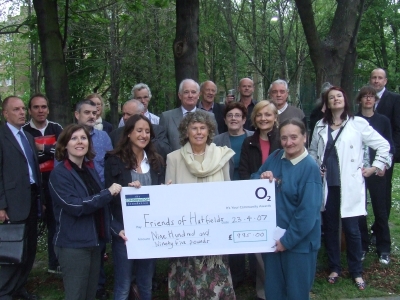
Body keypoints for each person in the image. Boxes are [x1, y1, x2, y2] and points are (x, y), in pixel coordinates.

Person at [309, 86, 390, 290]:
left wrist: (374, 167)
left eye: (339, 96)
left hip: (350, 185)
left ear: (345, 100)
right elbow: (312, 151)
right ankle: (335, 267)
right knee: (330, 227)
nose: (336, 99)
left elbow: (383, 145)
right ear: (326, 104)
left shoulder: (358, 124)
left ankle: (356, 271)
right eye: (331, 97)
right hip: (328, 185)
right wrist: (315, 166)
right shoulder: (320, 125)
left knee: (352, 230)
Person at [165, 110, 235, 299]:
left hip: (215, 229)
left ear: (209, 131)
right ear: (185, 131)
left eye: (202, 128)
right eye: (193, 128)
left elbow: (228, 192)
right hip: (185, 232)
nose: (198, 132)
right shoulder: (173, 158)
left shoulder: (222, 156)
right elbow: (168, 197)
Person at [48, 124, 122, 300]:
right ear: (65, 144)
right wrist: (107, 193)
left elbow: (100, 205)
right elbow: (75, 206)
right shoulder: (59, 174)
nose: (79, 142)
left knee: (90, 294)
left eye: (83, 138)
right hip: (73, 245)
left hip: (94, 242)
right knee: (76, 295)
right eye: (74, 138)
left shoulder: (89, 169)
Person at [252, 118, 322, 300]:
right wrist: (261, 178)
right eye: (284, 138)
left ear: (304, 137)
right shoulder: (275, 157)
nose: (288, 143)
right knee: (274, 293)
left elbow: (307, 213)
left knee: (296, 294)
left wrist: (287, 241)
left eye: (293, 137)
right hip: (273, 242)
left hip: (299, 246)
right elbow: (253, 181)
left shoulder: (310, 168)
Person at [105, 115, 165, 300]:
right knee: (123, 284)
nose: (143, 135)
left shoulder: (156, 160)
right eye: (139, 130)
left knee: (146, 283)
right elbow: (108, 197)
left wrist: (165, 190)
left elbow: (160, 197)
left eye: (147, 131)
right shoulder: (113, 159)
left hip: (149, 231)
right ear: (129, 133)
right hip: (124, 231)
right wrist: (116, 229)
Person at [0, 96, 43, 300]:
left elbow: (33, 169)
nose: (21, 112)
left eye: (23, 109)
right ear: (5, 113)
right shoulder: (1, 136)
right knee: (12, 247)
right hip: (12, 201)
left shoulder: (27, 136)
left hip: (32, 198)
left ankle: (19, 287)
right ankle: (5, 290)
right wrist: (1, 205)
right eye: (16, 109)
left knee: (29, 247)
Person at [237, 100, 280, 299]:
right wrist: (259, 180)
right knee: (262, 249)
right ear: (254, 119)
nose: (264, 118)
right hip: (257, 201)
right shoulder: (249, 142)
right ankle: (264, 292)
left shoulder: (283, 140)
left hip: (280, 200)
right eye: (260, 115)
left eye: (268, 115)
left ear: (275, 118)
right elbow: (244, 173)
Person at [74, 99, 113, 299]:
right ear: (77, 115)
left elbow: (110, 165)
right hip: (79, 198)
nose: (91, 115)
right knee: (83, 243)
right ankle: (81, 284)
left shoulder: (104, 137)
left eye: (94, 112)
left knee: (100, 241)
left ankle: (99, 286)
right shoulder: (69, 138)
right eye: (86, 112)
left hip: (102, 196)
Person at [23, 93, 63, 275]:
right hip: (33, 185)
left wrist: (42, 149)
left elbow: (62, 152)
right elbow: (27, 158)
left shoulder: (56, 127)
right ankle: (23, 265)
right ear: (30, 110)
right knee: (35, 224)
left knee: (56, 222)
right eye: (36, 107)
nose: (40, 110)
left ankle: (54, 263)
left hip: (55, 182)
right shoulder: (24, 131)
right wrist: (49, 152)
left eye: (44, 107)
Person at [355, 85, 394, 264]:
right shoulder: (353, 121)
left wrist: (382, 165)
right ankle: (362, 246)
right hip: (358, 173)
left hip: (377, 172)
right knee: (359, 211)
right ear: (360, 99)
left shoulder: (383, 121)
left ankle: (384, 248)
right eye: (365, 96)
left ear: (375, 100)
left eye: (371, 96)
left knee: (380, 209)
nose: (368, 99)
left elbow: (389, 146)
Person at [369, 68, 400, 222]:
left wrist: (392, 154)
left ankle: (380, 228)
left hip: (386, 153)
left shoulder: (394, 99)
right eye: (374, 77)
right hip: (366, 154)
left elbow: (397, 128)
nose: (376, 81)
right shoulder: (365, 99)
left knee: (383, 192)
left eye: (380, 78)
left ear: (385, 81)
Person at [159, 79, 218, 151]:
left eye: (193, 92)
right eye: (186, 92)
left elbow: (215, 143)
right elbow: (161, 147)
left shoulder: (210, 117)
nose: (190, 95)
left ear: (198, 95)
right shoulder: (166, 117)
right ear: (180, 95)